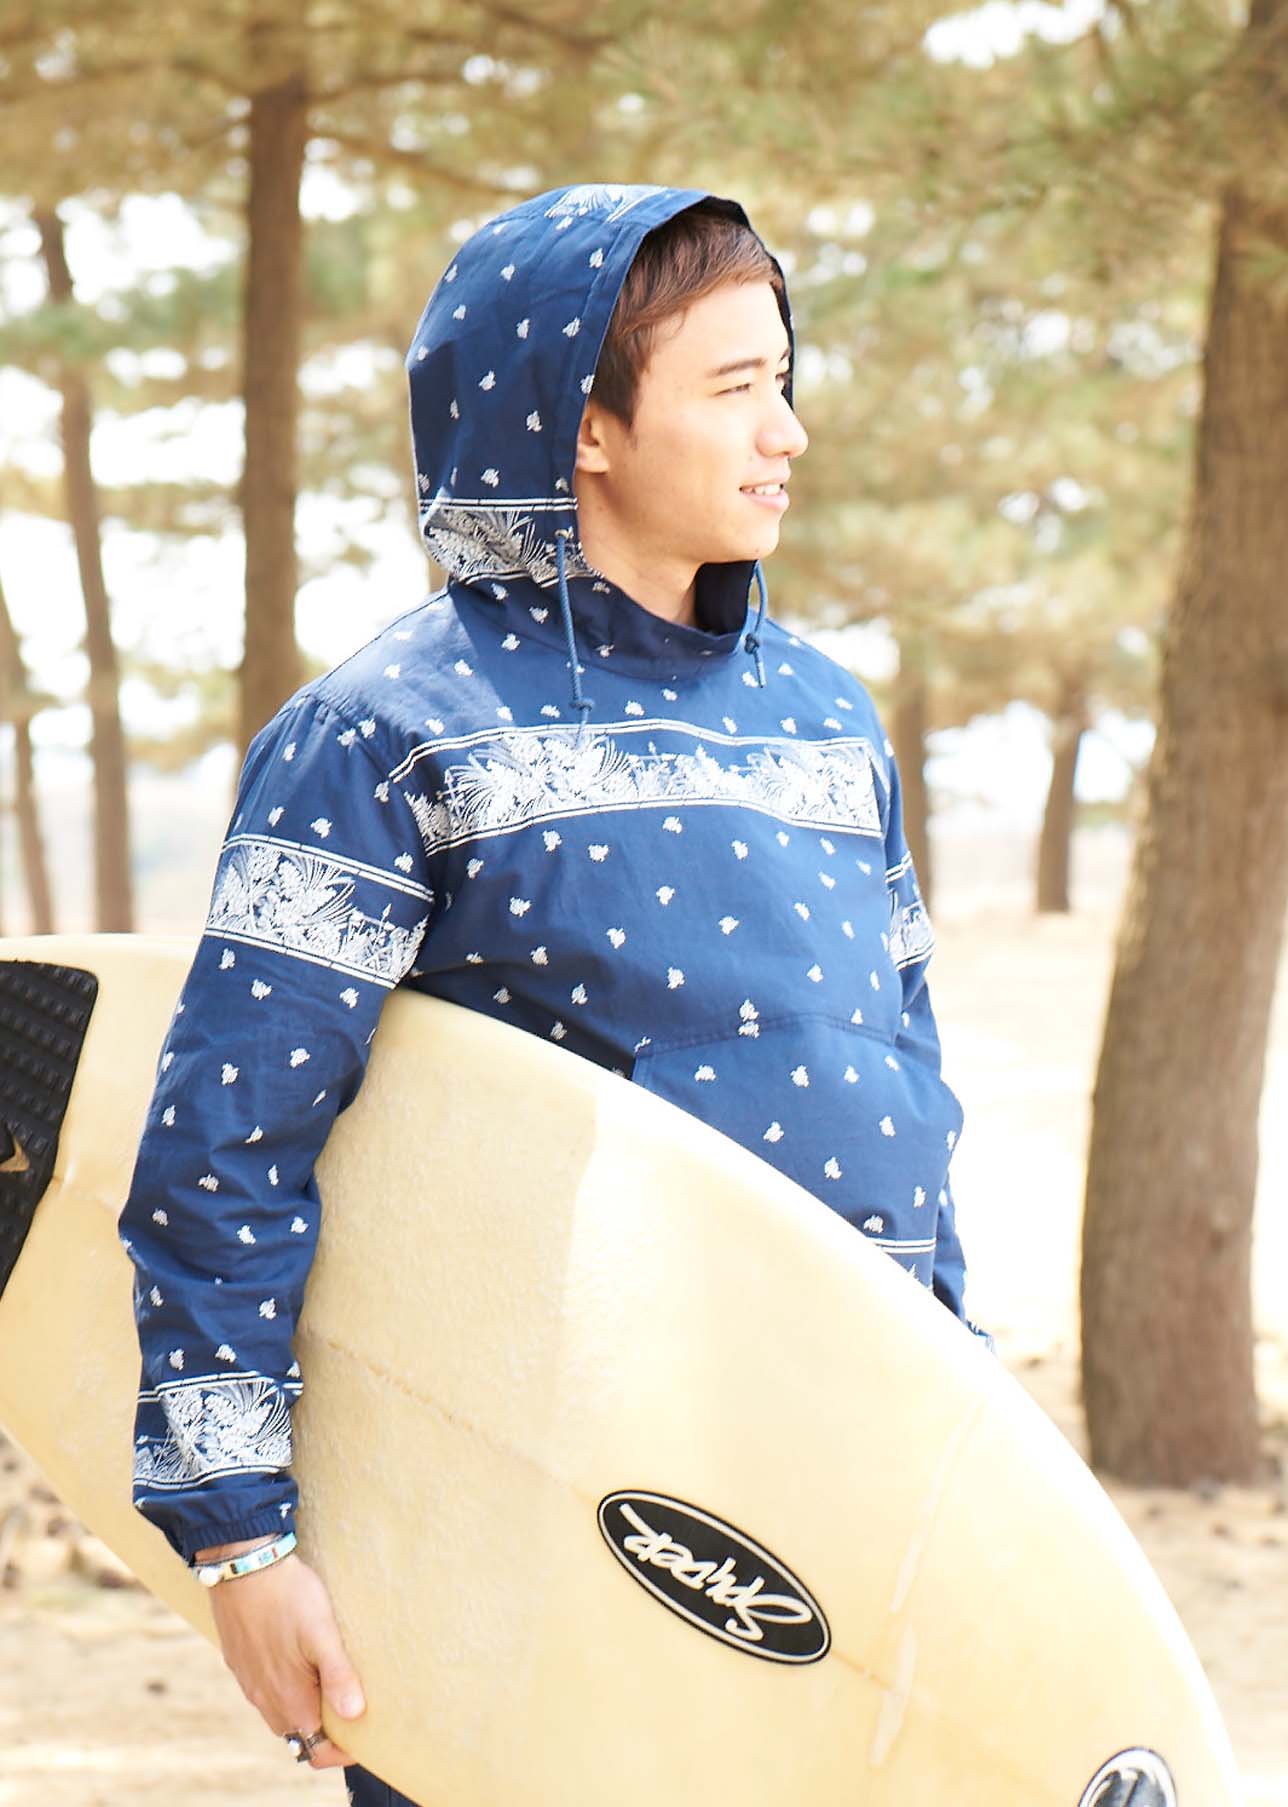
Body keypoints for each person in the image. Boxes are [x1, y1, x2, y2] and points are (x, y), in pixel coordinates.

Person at [120, 182, 987, 1806]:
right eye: (735, 388)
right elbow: (222, 1152)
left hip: (837, 1513)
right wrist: (242, 1540)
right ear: (583, 424)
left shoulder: (827, 725)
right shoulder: (383, 737)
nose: (788, 431)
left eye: (786, 380)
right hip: (531, 1530)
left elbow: (908, 1100)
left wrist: (965, 1450)